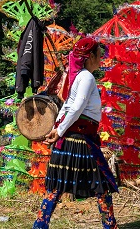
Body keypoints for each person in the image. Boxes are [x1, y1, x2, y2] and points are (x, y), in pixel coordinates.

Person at [33, 37, 119, 229]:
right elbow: (77, 106)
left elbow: (67, 107)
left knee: (56, 187)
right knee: (102, 184)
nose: (101, 58)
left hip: (70, 140)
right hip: (81, 141)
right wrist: (59, 129)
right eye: (98, 54)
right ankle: (110, 226)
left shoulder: (79, 77)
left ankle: (39, 225)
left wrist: (57, 129)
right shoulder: (87, 77)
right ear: (90, 57)